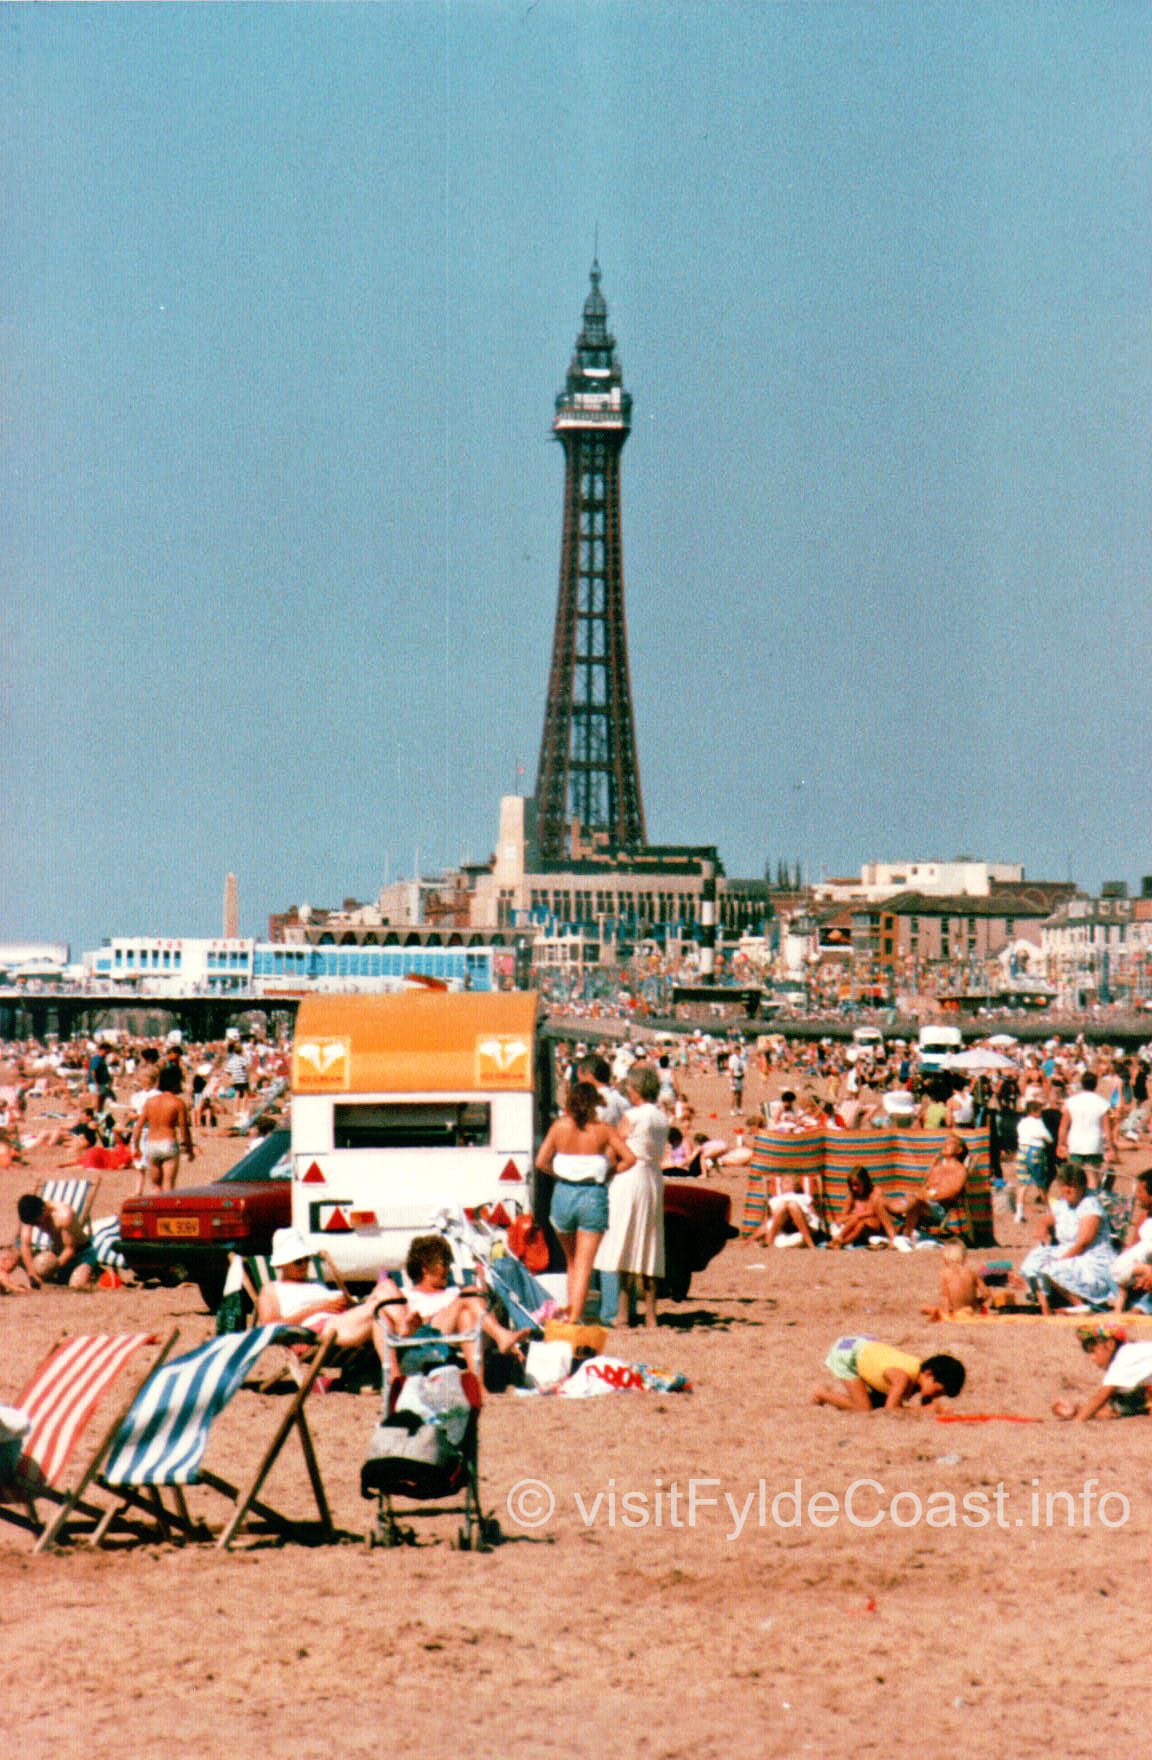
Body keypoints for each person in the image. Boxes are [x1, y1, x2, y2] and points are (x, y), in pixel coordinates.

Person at [535, 1080, 636, 1323]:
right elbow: (630, 1159)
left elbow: (541, 1161)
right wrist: (610, 1171)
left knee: (571, 1261)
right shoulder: (603, 1130)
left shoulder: (559, 1127)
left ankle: (573, 1312)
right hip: (592, 1194)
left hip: (563, 1194)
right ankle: (575, 1317)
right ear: (594, 1105)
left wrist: (560, 1174)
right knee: (584, 1263)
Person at [372, 1233, 530, 1379]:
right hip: (417, 1330)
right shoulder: (404, 1292)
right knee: (470, 1292)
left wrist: (482, 1283)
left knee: (468, 1310)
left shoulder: (455, 1292)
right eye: (443, 1264)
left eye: (448, 1262)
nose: (448, 1269)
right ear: (425, 1268)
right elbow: (394, 1316)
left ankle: (479, 1383)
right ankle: (501, 1335)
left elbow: (482, 1311)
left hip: (449, 1331)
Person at [595, 1065, 668, 1328]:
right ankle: (650, 1314)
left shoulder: (632, 1115)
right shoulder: (661, 1117)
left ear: (636, 1090)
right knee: (649, 1243)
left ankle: (623, 1313)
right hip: (652, 1177)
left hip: (629, 1178)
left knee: (624, 1241)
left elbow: (617, 1148)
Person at [1016, 1163, 1118, 1315]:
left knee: (1051, 1268)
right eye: (1064, 1186)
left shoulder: (1090, 1206)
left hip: (1090, 1256)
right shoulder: (1063, 1203)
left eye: (1072, 1186)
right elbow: (1046, 1220)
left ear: (1082, 1187)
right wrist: (1042, 1228)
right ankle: (1045, 1308)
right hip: (1068, 1250)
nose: (1067, 1190)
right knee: (1033, 1261)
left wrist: (1060, 1259)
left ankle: (1081, 1305)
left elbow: (1083, 1243)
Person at [812, 1335, 965, 1412]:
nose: (936, 1396)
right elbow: (891, 1409)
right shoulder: (902, 1378)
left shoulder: (919, 1372)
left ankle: (841, 1398)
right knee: (864, 1409)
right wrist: (922, 1412)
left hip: (863, 1347)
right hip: (848, 1355)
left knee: (876, 1403)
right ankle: (823, 1393)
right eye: (938, 1391)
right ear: (929, 1374)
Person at [1051, 1323, 1152, 1421]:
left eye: (1092, 1350)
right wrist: (1076, 1412)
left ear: (1110, 1344)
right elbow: (1114, 1411)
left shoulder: (1125, 1356)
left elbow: (1101, 1397)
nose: (1091, 1358)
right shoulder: (1130, 1362)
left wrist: (1078, 1419)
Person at [130, 1063, 194, 1194]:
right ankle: (167, 1212)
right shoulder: (177, 1102)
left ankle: (157, 1211)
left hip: (151, 1144)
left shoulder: (150, 1102)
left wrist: (136, 1147)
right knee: (168, 1184)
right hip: (168, 1142)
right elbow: (184, 1129)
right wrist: (189, 1147)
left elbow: (138, 1127)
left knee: (155, 1186)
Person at [15, 1193, 98, 1289]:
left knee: (76, 1286)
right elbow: (25, 1245)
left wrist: (51, 1269)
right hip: (56, 1254)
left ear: (43, 1210)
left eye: (37, 1222)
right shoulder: (30, 1214)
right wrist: (32, 1273)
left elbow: (70, 1249)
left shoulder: (64, 1215)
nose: (36, 1225)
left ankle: (97, 1274)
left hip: (81, 1253)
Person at [897, 1136, 969, 1237]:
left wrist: (928, 1196)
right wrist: (922, 1193)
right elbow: (925, 1186)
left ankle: (906, 1236)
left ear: (959, 1150)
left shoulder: (960, 1170)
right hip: (924, 1201)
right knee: (890, 1201)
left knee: (914, 1202)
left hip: (938, 1208)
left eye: (950, 1143)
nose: (945, 1145)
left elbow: (953, 1192)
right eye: (944, 1142)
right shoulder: (937, 1167)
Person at [1056, 1071, 1116, 1184]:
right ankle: (1092, 1199)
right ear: (1096, 1084)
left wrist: (1060, 1143)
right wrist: (1111, 1147)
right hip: (1094, 1143)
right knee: (1092, 1176)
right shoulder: (1102, 1103)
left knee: (1075, 1177)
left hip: (1075, 1142)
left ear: (1082, 1084)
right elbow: (1107, 1129)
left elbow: (1063, 1127)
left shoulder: (1071, 1102)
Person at [744, 1173, 824, 1250]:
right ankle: (768, 1241)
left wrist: (817, 1228)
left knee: (791, 1205)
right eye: (782, 1182)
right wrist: (748, 1241)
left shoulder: (804, 1197)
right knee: (785, 1205)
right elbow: (769, 1223)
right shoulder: (775, 1200)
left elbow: (814, 1216)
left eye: (788, 1182)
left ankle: (810, 1243)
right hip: (785, 1228)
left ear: (796, 1185)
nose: (783, 1184)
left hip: (805, 1226)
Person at [828, 1166, 897, 1249]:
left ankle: (840, 1241)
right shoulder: (852, 1194)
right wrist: (849, 1218)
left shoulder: (876, 1192)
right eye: (852, 1185)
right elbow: (842, 1216)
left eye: (857, 1184)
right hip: (858, 1229)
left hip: (875, 1229)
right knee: (857, 1221)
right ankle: (840, 1241)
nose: (854, 1188)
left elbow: (875, 1212)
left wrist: (856, 1216)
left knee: (860, 1221)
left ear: (864, 1181)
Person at [1112, 1172, 1152, 1312]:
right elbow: (1136, 1247)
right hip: (1139, 1269)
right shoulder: (1144, 1217)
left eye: (1141, 1191)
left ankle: (1139, 1307)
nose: (1137, 1195)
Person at [921, 1241, 990, 1319]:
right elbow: (987, 1294)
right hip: (972, 1309)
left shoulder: (945, 1274)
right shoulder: (972, 1273)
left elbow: (945, 1298)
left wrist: (945, 1314)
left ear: (945, 1259)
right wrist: (978, 1302)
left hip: (956, 1312)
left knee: (925, 1307)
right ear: (964, 1257)